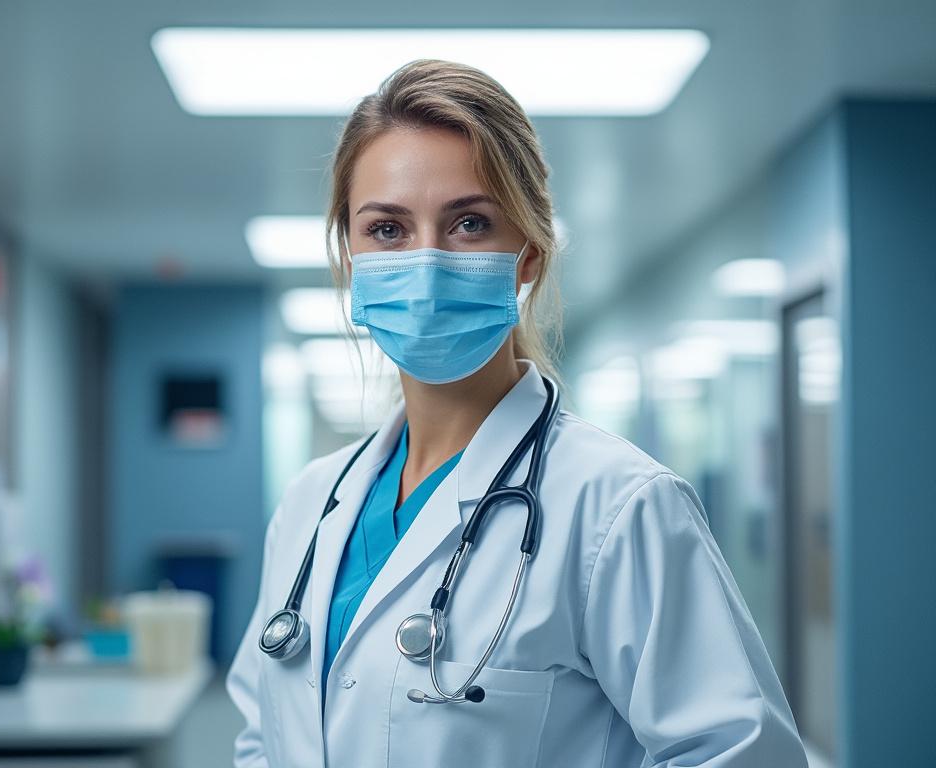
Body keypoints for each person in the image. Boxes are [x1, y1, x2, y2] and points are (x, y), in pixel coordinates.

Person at [227, 59, 809, 768]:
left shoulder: (616, 507)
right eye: (387, 230)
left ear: (527, 255)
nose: (427, 261)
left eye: (470, 223)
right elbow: (263, 735)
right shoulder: (311, 505)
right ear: (350, 256)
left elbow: (741, 754)